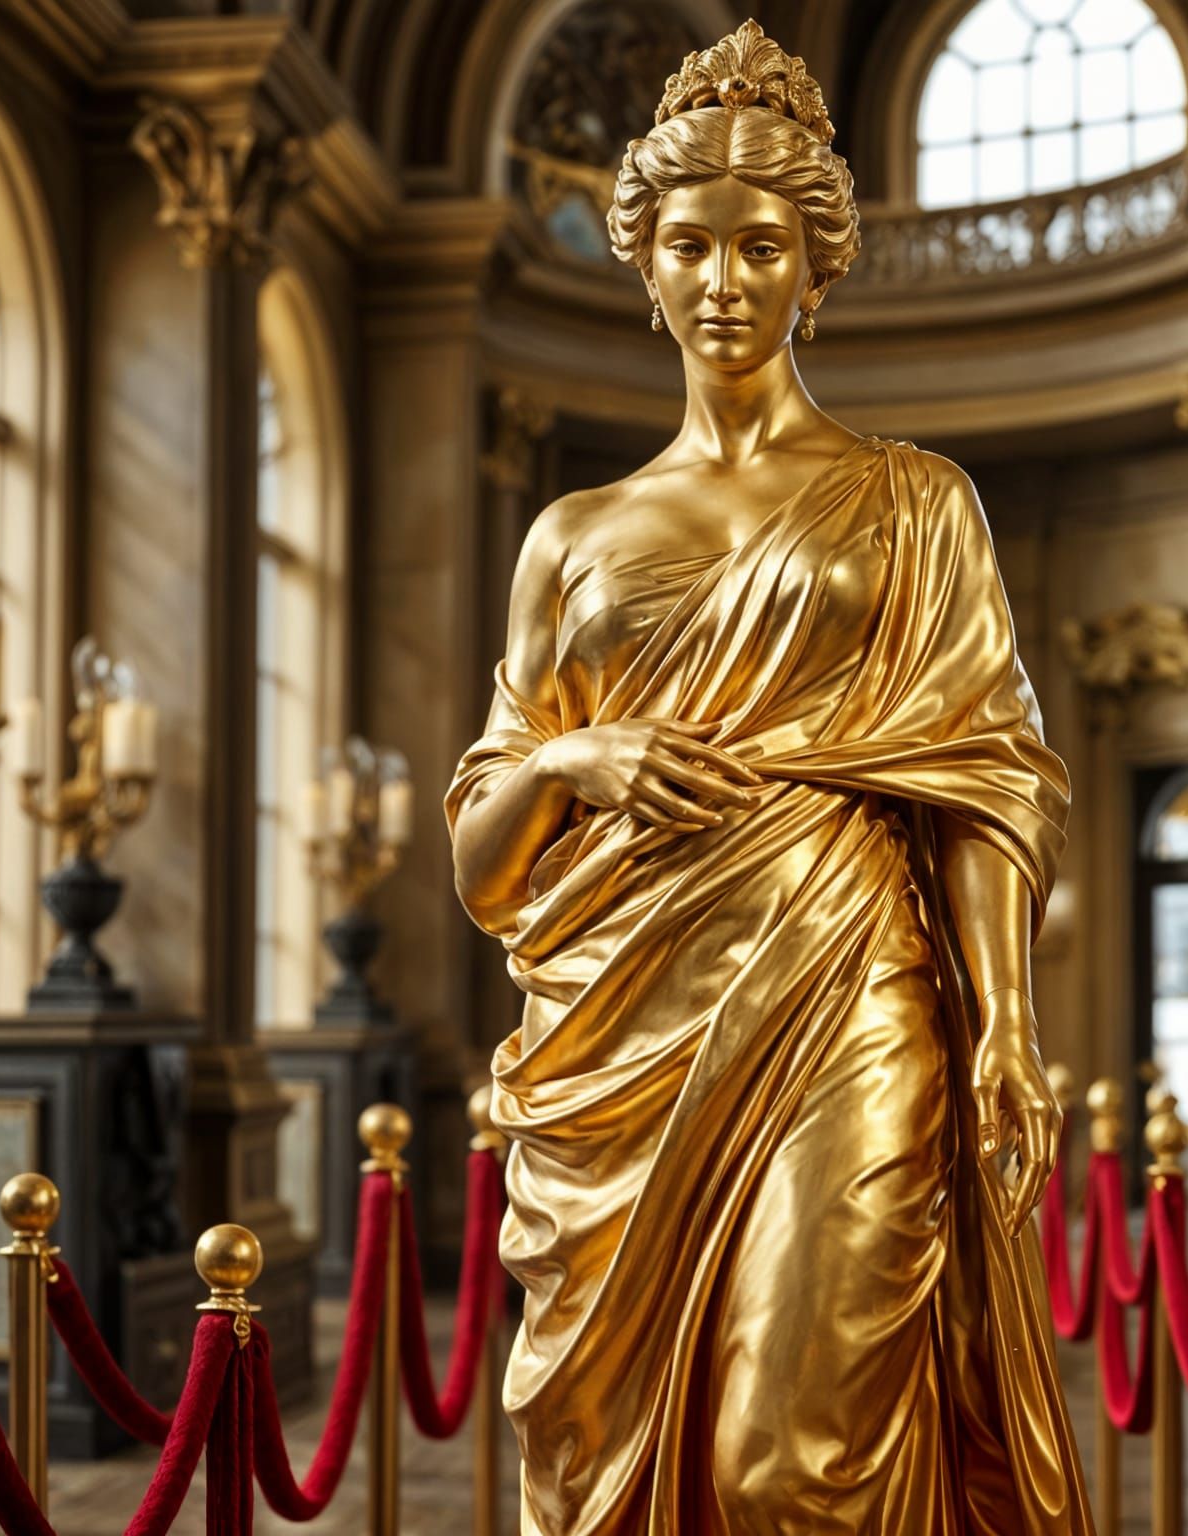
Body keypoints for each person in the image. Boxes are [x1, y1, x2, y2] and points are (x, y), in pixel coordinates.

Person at [448, 21, 1091, 1533]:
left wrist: (1004, 1022)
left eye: (760, 245)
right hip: (621, 1033)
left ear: (819, 266)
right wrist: (576, 755)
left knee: (785, 1460)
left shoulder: (915, 502)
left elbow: (990, 774)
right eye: (690, 244)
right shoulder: (574, 535)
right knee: (621, 1471)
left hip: (853, 996)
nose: (724, 279)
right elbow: (483, 862)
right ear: (644, 259)